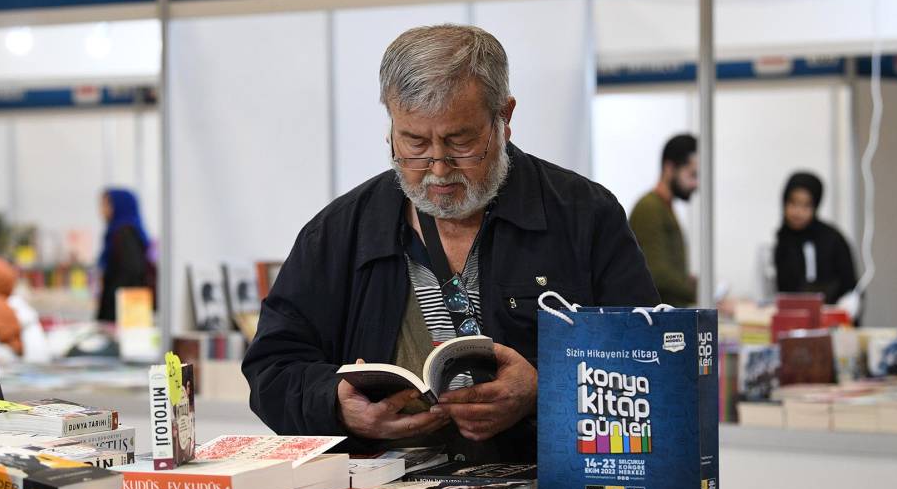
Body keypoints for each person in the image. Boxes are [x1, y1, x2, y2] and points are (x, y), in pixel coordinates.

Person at [242, 24, 658, 462]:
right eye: (414, 143)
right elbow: (271, 368)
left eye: (461, 143)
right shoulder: (340, 232)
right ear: (391, 126)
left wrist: (544, 390)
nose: (438, 169)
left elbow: (649, 365)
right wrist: (336, 404)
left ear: (505, 117)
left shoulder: (583, 216)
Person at [628, 134, 698, 307]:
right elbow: (656, 272)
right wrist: (699, 292)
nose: (696, 184)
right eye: (692, 174)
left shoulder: (664, 207)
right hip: (657, 322)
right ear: (669, 168)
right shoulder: (649, 208)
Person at [774, 172, 857, 305]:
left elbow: (850, 285)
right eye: (793, 203)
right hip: (792, 317)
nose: (797, 211)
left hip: (830, 315)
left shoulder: (832, 239)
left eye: (806, 205)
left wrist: (849, 304)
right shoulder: (782, 240)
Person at [96, 188, 156, 323]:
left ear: (119, 206)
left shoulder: (124, 233)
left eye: (106, 205)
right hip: (123, 308)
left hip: (123, 311)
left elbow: (132, 270)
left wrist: (113, 297)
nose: (101, 210)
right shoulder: (121, 232)